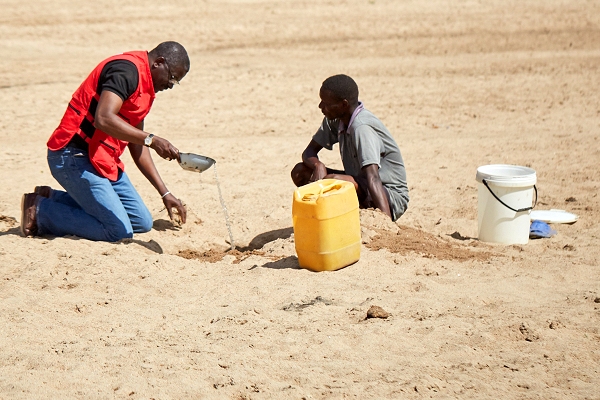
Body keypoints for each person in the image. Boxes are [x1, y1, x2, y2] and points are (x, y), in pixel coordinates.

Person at [20, 41, 189, 241]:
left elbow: (138, 144)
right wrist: (152, 139)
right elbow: (104, 118)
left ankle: (52, 197)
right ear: (158, 62)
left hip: (101, 159)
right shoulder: (126, 72)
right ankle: (40, 211)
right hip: (71, 156)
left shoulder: (146, 85)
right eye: (172, 78)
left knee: (141, 222)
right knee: (117, 231)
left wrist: (165, 192)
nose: (170, 85)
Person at [291, 74, 409, 221]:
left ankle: (374, 217)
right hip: (362, 184)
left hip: (389, 195)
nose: (321, 106)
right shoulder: (335, 119)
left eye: (326, 103)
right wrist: (317, 165)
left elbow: (373, 178)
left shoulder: (362, 128)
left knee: (332, 181)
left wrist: (386, 223)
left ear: (343, 104)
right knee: (300, 172)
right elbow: (309, 152)